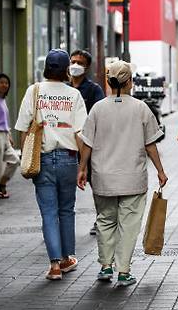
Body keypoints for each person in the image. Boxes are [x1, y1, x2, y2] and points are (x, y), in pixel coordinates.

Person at [77, 60, 168, 287]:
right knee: (128, 225)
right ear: (130, 81)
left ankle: (106, 266)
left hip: (103, 177)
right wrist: (160, 170)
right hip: (132, 178)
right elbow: (150, 144)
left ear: (109, 81)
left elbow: (86, 142)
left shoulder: (98, 108)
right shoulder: (141, 108)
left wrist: (81, 169)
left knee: (105, 221)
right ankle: (124, 271)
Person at [15, 49, 88, 281]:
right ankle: (67, 258)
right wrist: (83, 166)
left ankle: (55, 265)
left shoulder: (34, 91)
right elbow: (81, 133)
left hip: (43, 158)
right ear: (67, 69)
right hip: (68, 158)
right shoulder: (74, 95)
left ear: (46, 67)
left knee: (48, 212)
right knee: (67, 210)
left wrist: (26, 157)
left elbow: (23, 129)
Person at [69, 49, 106, 236]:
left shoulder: (93, 90)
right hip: (66, 146)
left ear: (87, 67)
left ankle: (101, 220)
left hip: (88, 146)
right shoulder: (64, 88)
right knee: (64, 188)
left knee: (95, 185)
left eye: (80, 63)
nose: (75, 65)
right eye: (72, 61)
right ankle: (58, 225)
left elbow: (99, 116)